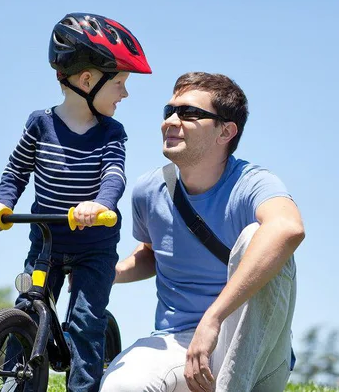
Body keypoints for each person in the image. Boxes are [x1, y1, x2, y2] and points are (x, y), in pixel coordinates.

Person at [0, 12, 151, 392]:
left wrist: (101, 205)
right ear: (87, 80)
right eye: (120, 83)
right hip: (47, 243)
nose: (125, 94)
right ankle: (16, 386)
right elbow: (15, 171)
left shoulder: (111, 132)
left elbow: (114, 175)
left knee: (86, 324)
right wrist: (1, 203)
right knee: (26, 309)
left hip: (94, 246)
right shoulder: (39, 124)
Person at [100, 72, 305, 392]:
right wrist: (103, 272)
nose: (171, 121)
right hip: (177, 342)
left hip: (255, 350)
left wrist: (213, 318)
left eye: (189, 113)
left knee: (260, 236)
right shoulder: (149, 189)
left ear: (226, 131)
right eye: (169, 111)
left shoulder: (253, 182)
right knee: (120, 386)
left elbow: (288, 228)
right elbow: (152, 255)